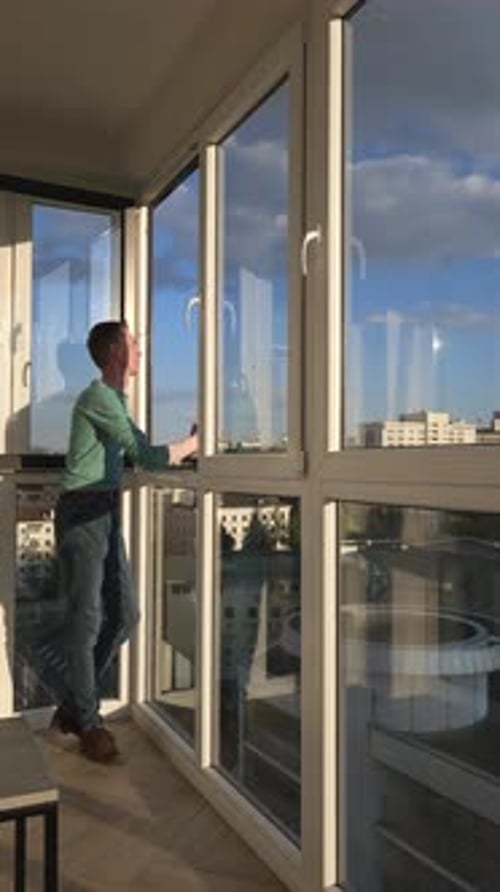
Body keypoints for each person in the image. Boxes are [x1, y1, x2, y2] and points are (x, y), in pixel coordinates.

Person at [51, 320, 198, 763]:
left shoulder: (114, 401)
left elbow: (140, 447)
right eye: (134, 343)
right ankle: (89, 722)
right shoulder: (98, 398)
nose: (139, 351)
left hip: (105, 512)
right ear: (116, 350)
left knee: (127, 614)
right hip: (82, 512)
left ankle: (76, 707)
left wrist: (186, 447)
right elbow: (146, 455)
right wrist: (194, 442)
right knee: (87, 619)